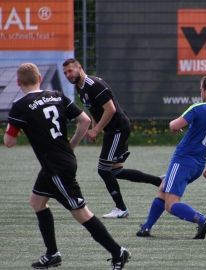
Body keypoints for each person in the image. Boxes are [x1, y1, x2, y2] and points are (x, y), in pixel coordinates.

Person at [4, 63, 131, 269]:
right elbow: (84, 120)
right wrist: (71, 145)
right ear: (40, 79)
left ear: (18, 82)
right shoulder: (56, 95)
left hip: (56, 167)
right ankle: (52, 253)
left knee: (81, 213)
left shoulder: (20, 105)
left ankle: (118, 252)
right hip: (58, 162)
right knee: (37, 202)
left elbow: (9, 142)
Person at [62, 58, 162, 219]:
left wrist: (96, 130)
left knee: (103, 169)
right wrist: (95, 128)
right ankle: (159, 181)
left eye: (70, 71)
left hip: (118, 129)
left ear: (79, 68)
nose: (68, 75)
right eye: (65, 73)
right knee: (116, 171)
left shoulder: (93, 85)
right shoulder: (80, 87)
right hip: (112, 129)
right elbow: (95, 110)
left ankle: (121, 208)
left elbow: (110, 109)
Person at [136, 74, 206, 239]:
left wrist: (174, 129)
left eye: (201, 89)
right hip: (199, 165)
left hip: (182, 160)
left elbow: (174, 125)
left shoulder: (199, 107)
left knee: (171, 204)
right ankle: (146, 228)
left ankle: (202, 220)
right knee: (163, 188)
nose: (200, 92)